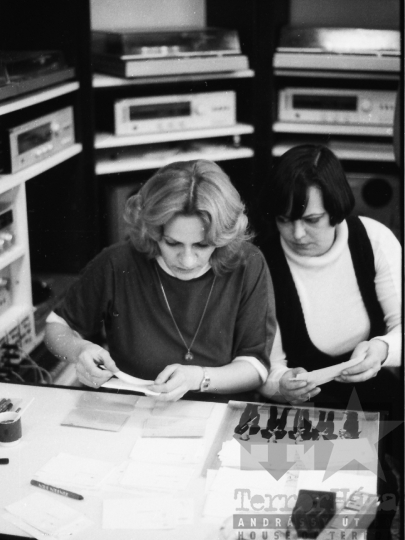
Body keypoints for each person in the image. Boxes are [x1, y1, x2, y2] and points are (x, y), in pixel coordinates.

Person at [45, 159, 276, 402]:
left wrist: (198, 378)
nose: (187, 260)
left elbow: (256, 367)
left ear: (222, 238)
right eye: (172, 243)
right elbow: (55, 327)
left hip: (217, 410)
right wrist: (78, 350)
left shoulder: (247, 263)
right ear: (153, 231)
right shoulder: (117, 263)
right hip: (134, 407)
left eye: (202, 245)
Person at [257, 144, 402, 415]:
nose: (297, 234)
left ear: (336, 209)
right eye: (284, 220)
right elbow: (265, 367)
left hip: (376, 399)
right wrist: (281, 384)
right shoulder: (262, 263)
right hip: (302, 410)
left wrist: (383, 348)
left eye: (312, 220)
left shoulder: (375, 240)